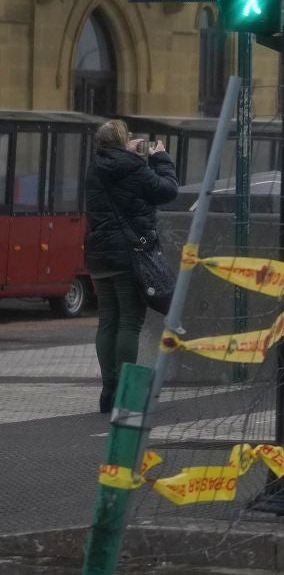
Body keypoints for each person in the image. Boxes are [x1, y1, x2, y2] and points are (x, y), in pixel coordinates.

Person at [84, 121, 178, 414]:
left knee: (108, 321)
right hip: (129, 255)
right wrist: (160, 157)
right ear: (122, 141)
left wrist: (128, 154)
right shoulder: (133, 168)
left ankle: (108, 390)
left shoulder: (95, 167)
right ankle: (125, 393)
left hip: (100, 255)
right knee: (130, 323)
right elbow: (167, 190)